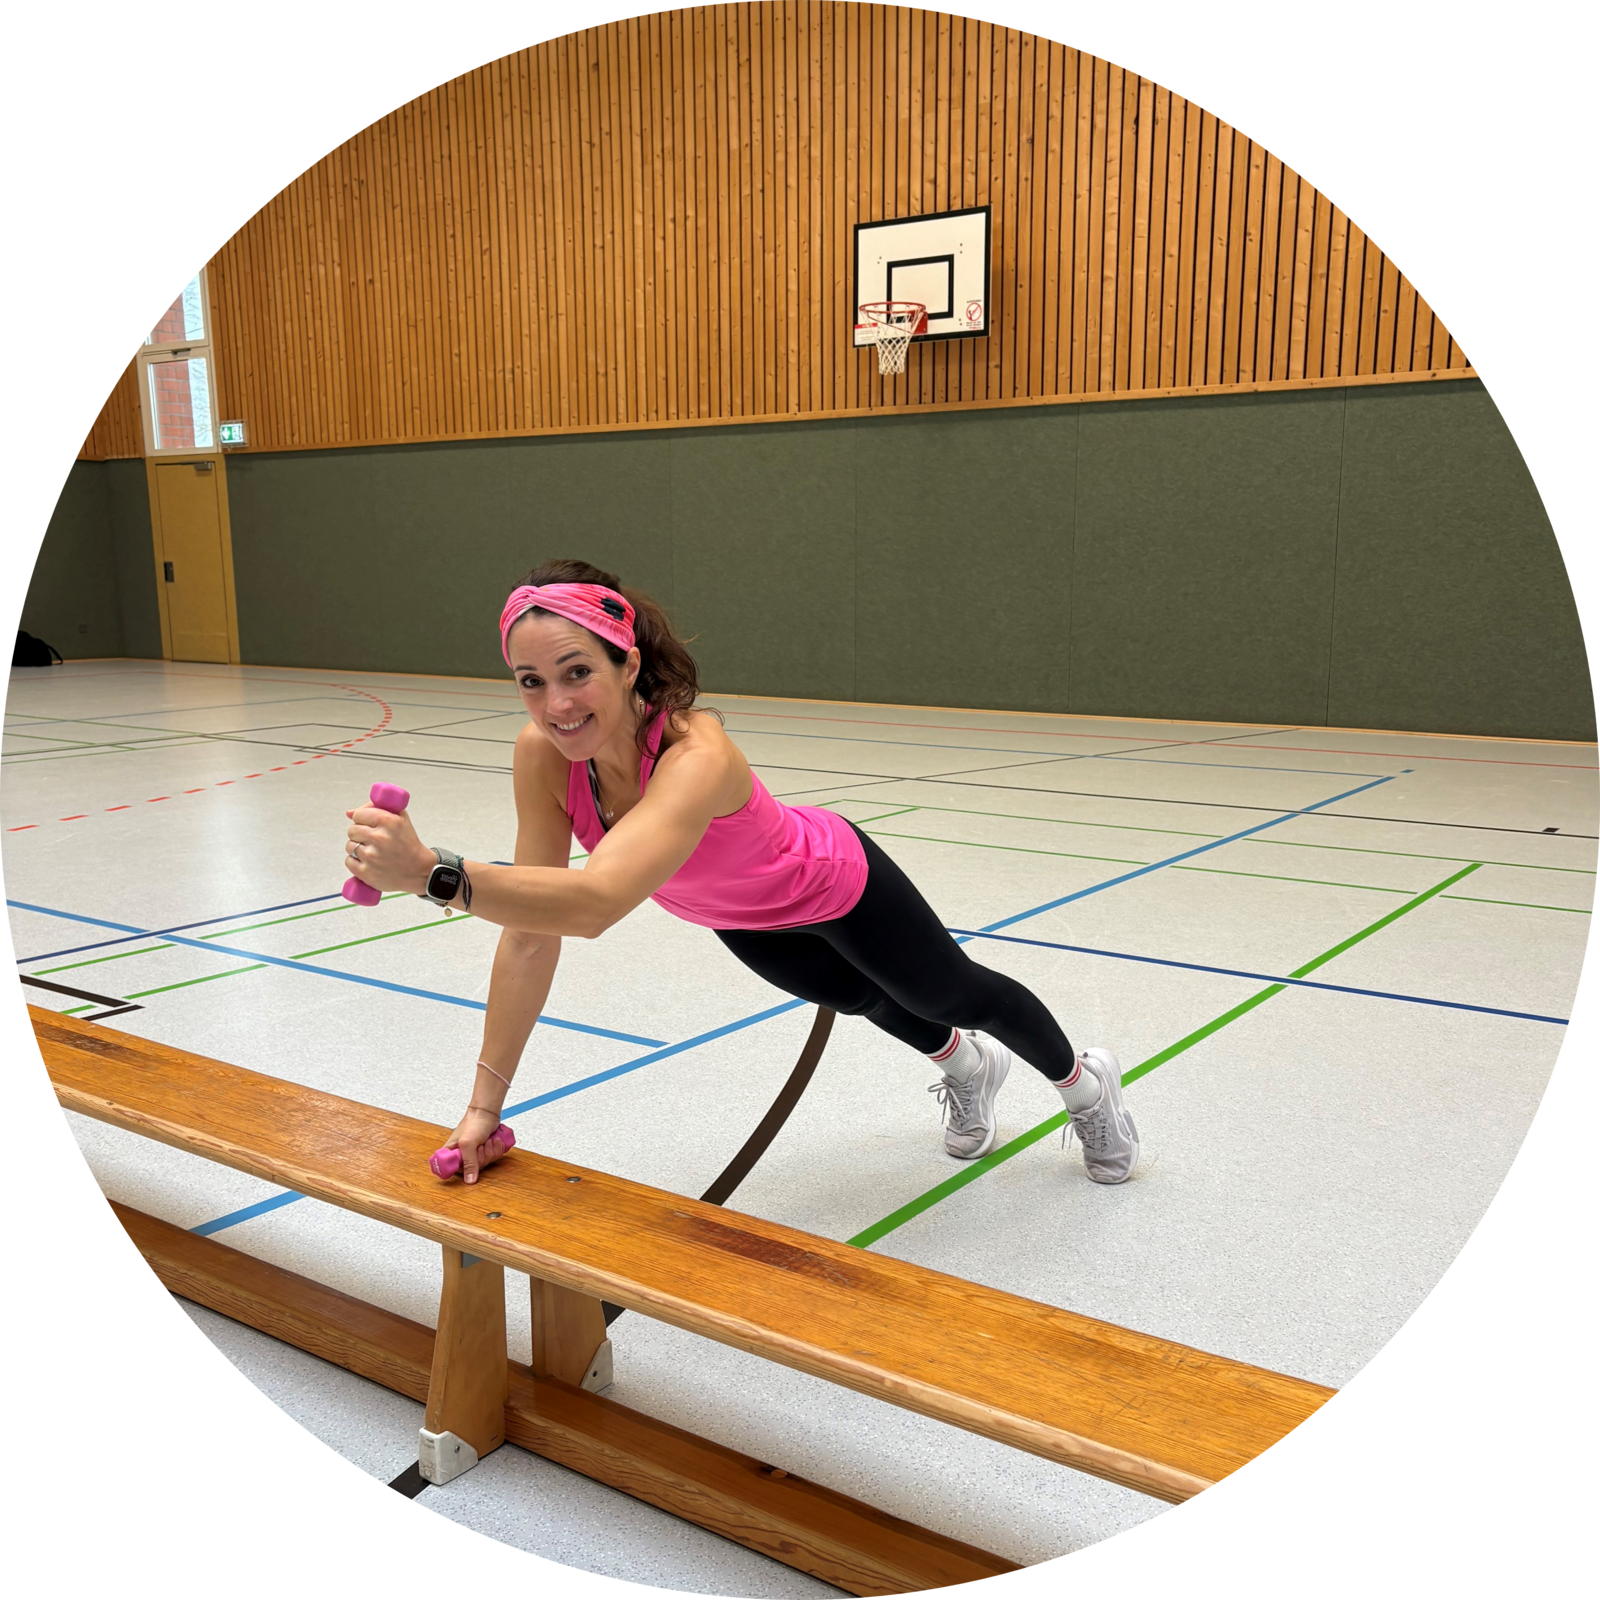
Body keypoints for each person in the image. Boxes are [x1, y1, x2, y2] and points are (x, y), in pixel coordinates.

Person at [342, 560, 1139, 1187]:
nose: (556, 705)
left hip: (833, 882)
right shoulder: (543, 756)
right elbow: (529, 933)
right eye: (531, 681)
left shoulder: (697, 753)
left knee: (949, 995)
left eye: (577, 672)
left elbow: (594, 902)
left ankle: (1086, 1087)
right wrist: (484, 1109)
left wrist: (433, 873)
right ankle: (965, 1065)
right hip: (740, 917)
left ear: (628, 664)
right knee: (861, 998)